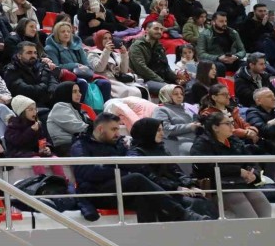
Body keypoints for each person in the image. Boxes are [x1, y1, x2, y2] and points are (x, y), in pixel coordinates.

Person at [73, 113, 210, 222]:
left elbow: (133, 164)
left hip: (121, 189)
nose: (118, 133)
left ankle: (152, 238)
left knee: (145, 197)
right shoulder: (81, 146)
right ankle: (183, 215)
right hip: (96, 192)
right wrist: (119, 167)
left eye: (118, 129)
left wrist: (188, 184)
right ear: (100, 129)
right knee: (137, 179)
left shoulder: (119, 144)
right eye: (114, 129)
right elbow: (88, 173)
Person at [127, 117, 216, 217]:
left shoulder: (161, 149)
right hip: (160, 194)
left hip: (173, 189)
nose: (162, 134)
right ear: (147, 132)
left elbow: (176, 170)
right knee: (194, 204)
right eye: (158, 130)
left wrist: (191, 185)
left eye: (162, 130)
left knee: (203, 201)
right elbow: (150, 179)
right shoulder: (135, 154)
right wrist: (176, 188)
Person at [190, 110, 271, 218]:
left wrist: (254, 174)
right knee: (248, 215)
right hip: (219, 186)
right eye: (227, 123)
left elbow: (251, 161)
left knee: (265, 207)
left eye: (232, 123)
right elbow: (205, 167)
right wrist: (238, 171)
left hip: (241, 182)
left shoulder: (234, 141)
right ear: (215, 127)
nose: (232, 126)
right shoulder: (202, 143)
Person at [5, 95, 66, 177]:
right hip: (19, 153)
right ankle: (41, 182)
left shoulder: (37, 124)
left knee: (55, 159)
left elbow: (43, 139)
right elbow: (17, 141)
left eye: (35, 109)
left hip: (35, 153)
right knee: (37, 160)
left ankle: (62, 181)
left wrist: (46, 147)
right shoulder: (12, 126)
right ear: (22, 112)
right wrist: (31, 130)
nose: (34, 112)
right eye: (30, 110)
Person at [87, 30, 146, 98]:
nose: (108, 40)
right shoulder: (92, 54)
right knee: (134, 92)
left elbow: (124, 71)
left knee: (143, 90)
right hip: (108, 81)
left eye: (110, 38)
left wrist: (124, 54)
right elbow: (99, 69)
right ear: (99, 40)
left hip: (120, 80)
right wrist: (106, 51)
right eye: (105, 38)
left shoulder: (114, 53)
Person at [245, 87, 275, 174]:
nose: (274, 98)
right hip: (267, 149)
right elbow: (265, 131)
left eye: (273, 96)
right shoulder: (252, 113)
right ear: (258, 101)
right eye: (269, 96)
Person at [3, 41, 60, 109]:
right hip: (27, 107)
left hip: (47, 101)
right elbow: (24, 90)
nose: (33, 56)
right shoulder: (11, 70)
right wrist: (44, 88)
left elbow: (53, 81)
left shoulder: (41, 65)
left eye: (35, 53)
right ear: (19, 56)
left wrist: (51, 93)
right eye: (29, 53)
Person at [129, 21, 177, 96]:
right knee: (171, 90)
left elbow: (165, 67)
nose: (159, 31)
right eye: (156, 29)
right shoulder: (137, 46)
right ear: (147, 30)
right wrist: (161, 81)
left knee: (189, 85)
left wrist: (176, 78)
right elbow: (141, 68)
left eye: (161, 29)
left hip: (160, 78)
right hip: (144, 80)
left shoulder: (160, 46)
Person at [47, 82, 92, 157]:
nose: (79, 94)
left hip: (77, 144)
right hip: (66, 147)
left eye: (79, 91)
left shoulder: (76, 108)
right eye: (74, 92)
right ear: (65, 93)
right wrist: (93, 128)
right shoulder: (60, 107)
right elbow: (76, 127)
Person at [196, 11, 246, 76]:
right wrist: (218, 58)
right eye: (221, 21)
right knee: (220, 67)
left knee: (247, 64)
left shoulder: (233, 33)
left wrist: (236, 56)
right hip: (215, 60)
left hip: (232, 59)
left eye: (225, 21)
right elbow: (201, 54)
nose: (224, 23)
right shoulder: (204, 34)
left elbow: (242, 51)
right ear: (213, 22)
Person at [153, 85, 199, 156]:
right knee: (198, 150)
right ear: (166, 95)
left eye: (181, 94)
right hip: (176, 142)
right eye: (175, 94)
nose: (180, 96)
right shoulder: (161, 110)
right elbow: (165, 130)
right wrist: (190, 127)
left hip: (195, 140)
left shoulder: (187, 109)